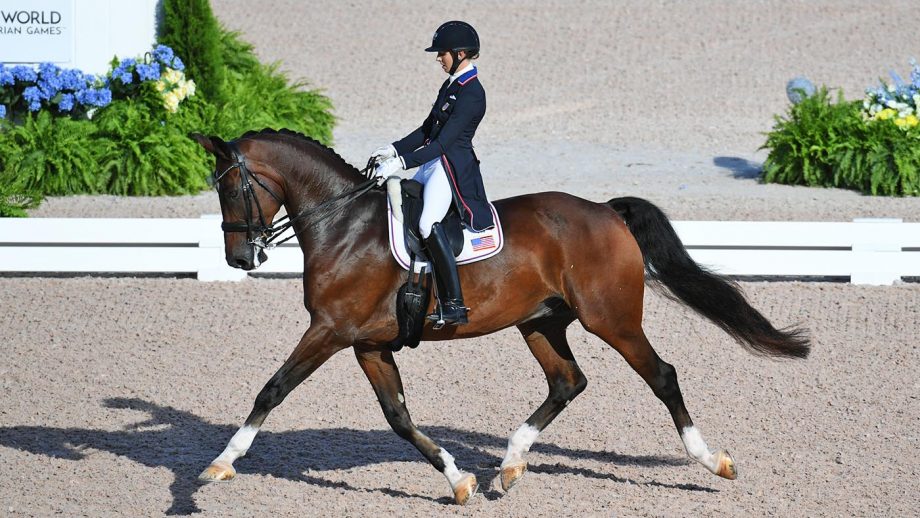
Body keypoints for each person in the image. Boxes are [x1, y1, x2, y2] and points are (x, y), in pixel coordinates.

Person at [372, 20, 494, 326]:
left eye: (443, 53)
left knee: (427, 223)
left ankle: (454, 303)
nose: (439, 58)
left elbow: (442, 143)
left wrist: (402, 163)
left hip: (450, 167)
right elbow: (428, 129)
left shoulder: (472, 93)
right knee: (400, 207)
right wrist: (394, 149)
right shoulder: (452, 85)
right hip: (432, 163)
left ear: (461, 53)